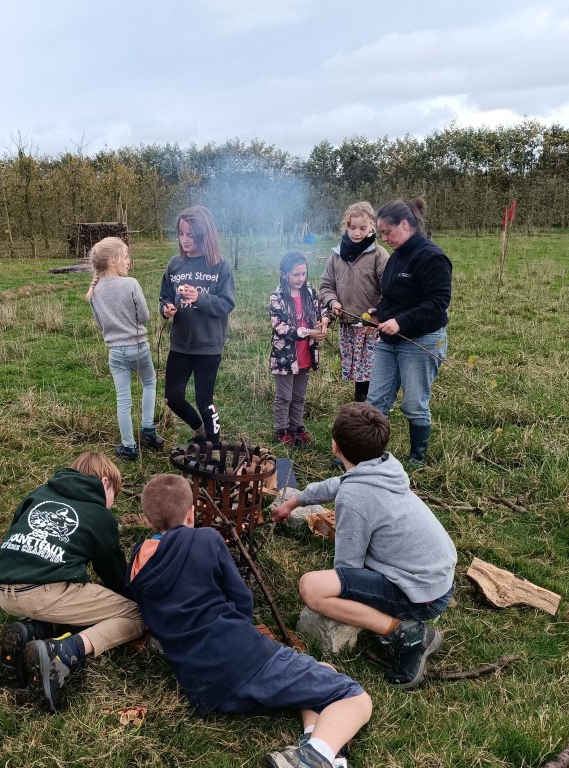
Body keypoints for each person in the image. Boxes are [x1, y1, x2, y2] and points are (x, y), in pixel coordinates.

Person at [130, 474, 372, 768]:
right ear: (192, 513)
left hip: (207, 689)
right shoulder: (206, 538)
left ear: (147, 519)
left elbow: (151, 619)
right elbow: (242, 598)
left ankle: (318, 747)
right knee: (353, 697)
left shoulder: (137, 561)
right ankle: (313, 759)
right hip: (246, 658)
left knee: (319, 676)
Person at [272, 403, 456, 691]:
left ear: (335, 446)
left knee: (311, 587)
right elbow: (342, 483)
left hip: (419, 594)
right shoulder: (384, 466)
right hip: (437, 578)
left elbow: (347, 569)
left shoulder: (354, 499)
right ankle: (401, 625)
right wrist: (296, 501)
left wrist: (338, 590)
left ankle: (407, 634)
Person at [0, 452, 145, 713]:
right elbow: (113, 574)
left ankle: (31, 632)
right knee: (136, 614)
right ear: (105, 482)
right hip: (44, 591)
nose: (112, 504)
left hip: (4, 589)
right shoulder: (98, 515)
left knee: (73, 600)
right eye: (114, 495)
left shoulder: (39, 493)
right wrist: (136, 597)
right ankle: (64, 651)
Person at [366, 197, 451, 464]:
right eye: (381, 233)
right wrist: (379, 311)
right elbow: (392, 295)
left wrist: (401, 322)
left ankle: (417, 458)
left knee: (414, 403)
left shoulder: (431, 257)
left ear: (405, 224)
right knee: (375, 400)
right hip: (388, 340)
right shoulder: (396, 258)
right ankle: (368, 454)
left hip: (421, 340)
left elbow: (438, 302)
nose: (384, 238)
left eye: (387, 232)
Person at [159, 206, 236, 444]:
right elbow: (165, 296)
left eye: (191, 235)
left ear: (205, 235)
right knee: (173, 397)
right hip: (180, 343)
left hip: (208, 345)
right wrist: (166, 309)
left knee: (205, 400)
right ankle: (201, 431)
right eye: (181, 234)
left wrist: (200, 298)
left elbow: (226, 303)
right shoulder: (174, 265)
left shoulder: (219, 266)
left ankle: (214, 445)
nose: (185, 240)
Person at [85, 237, 164, 461]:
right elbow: (145, 317)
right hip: (138, 348)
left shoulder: (95, 290)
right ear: (112, 261)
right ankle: (148, 430)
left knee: (123, 399)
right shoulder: (131, 284)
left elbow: (101, 324)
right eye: (125, 257)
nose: (129, 262)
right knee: (149, 382)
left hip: (115, 352)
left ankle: (128, 447)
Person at [319, 202, 389, 403]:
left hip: (370, 326)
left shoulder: (378, 255)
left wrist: (377, 314)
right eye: (352, 228)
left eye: (362, 228)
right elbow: (326, 285)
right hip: (348, 324)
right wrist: (332, 302)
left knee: (372, 370)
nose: (357, 233)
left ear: (371, 228)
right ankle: (361, 405)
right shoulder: (336, 255)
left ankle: (372, 408)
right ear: (345, 227)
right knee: (357, 370)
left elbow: (390, 289)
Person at [269, 252, 327, 447]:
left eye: (303, 274)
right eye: (296, 274)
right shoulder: (276, 298)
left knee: (299, 395)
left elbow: (322, 311)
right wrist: (308, 332)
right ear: (284, 274)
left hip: (305, 354)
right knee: (284, 396)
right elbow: (280, 328)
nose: (300, 279)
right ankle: (282, 429)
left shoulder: (310, 292)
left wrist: (325, 320)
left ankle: (297, 427)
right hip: (285, 357)